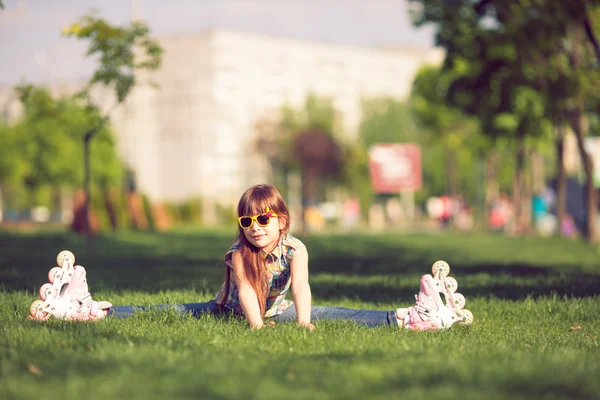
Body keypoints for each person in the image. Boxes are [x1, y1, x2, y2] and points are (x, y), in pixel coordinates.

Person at [29, 184, 472, 331]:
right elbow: (244, 290)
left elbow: (300, 286)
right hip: (235, 313)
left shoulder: (296, 248)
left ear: (282, 220)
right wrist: (256, 327)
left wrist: (301, 320)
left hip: (278, 311)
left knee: (342, 313)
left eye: (264, 219)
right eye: (247, 221)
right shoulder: (240, 253)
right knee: (169, 309)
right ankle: (91, 309)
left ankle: (412, 317)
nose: (255, 227)